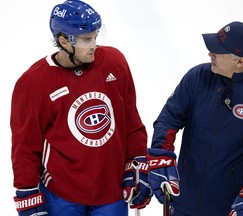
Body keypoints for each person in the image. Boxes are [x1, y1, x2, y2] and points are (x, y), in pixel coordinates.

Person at [10, 1, 152, 215]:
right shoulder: (33, 83)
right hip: (61, 195)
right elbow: (25, 146)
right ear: (64, 41)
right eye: (86, 39)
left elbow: (131, 121)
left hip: (111, 191)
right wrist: (27, 192)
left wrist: (136, 163)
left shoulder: (115, 62)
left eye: (95, 36)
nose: (94, 44)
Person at [147, 21, 243, 216]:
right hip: (182, 202)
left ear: (239, 62)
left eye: (217, 51)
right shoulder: (197, 76)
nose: (209, 54)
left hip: (232, 209)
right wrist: (161, 154)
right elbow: (169, 118)